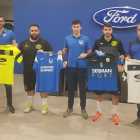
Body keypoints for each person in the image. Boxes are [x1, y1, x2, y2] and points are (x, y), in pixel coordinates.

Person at [92, 22, 126, 125]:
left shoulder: (117, 41)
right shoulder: (98, 41)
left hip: (113, 71)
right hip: (101, 71)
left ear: (112, 30)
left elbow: (123, 53)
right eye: (106, 30)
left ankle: (114, 114)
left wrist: (123, 56)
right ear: (103, 30)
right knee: (99, 93)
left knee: (115, 94)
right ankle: (99, 112)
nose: (107, 31)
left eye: (109, 29)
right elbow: (94, 54)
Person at [58, 19, 91, 119]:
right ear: (72, 27)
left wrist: (85, 54)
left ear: (80, 27)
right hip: (70, 67)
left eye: (77, 27)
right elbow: (65, 50)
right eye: (74, 27)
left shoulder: (86, 39)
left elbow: (90, 52)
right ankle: (70, 108)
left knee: (82, 89)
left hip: (81, 68)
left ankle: (83, 109)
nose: (76, 29)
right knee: (71, 89)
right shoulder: (67, 38)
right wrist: (62, 52)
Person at [18, 24, 53, 115]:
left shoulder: (44, 42)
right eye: (32, 31)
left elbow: (51, 53)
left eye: (36, 31)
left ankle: (44, 105)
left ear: (39, 31)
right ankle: (30, 104)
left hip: (41, 71)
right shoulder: (24, 43)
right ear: (29, 32)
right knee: (29, 88)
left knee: (43, 88)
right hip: (28, 70)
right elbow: (17, 54)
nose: (34, 32)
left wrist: (44, 52)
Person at [0, 15, 18, 113]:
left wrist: (15, 45)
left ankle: (9, 104)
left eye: (1, 21)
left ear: (4, 22)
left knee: (8, 85)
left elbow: (14, 43)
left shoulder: (10, 33)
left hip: (5, 63)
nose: (0, 23)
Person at [125, 23, 140, 126]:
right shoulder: (132, 42)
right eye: (139, 29)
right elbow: (129, 54)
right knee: (138, 98)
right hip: (136, 73)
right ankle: (139, 118)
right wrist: (127, 58)